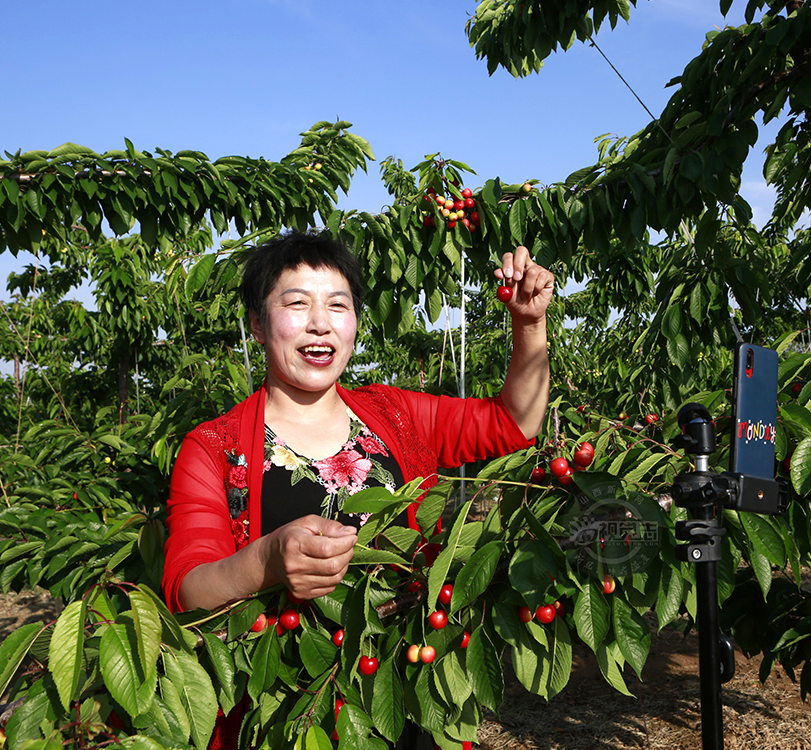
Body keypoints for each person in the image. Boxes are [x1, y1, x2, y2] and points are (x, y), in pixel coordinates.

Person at [161, 231, 554, 747]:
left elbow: (513, 424)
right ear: (257, 324)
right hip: (291, 710)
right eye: (296, 303)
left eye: (337, 305)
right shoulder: (214, 447)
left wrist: (529, 324)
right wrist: (267, 561)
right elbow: (186, 590)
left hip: (409, 683)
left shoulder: (395, 414)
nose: (319, 323)